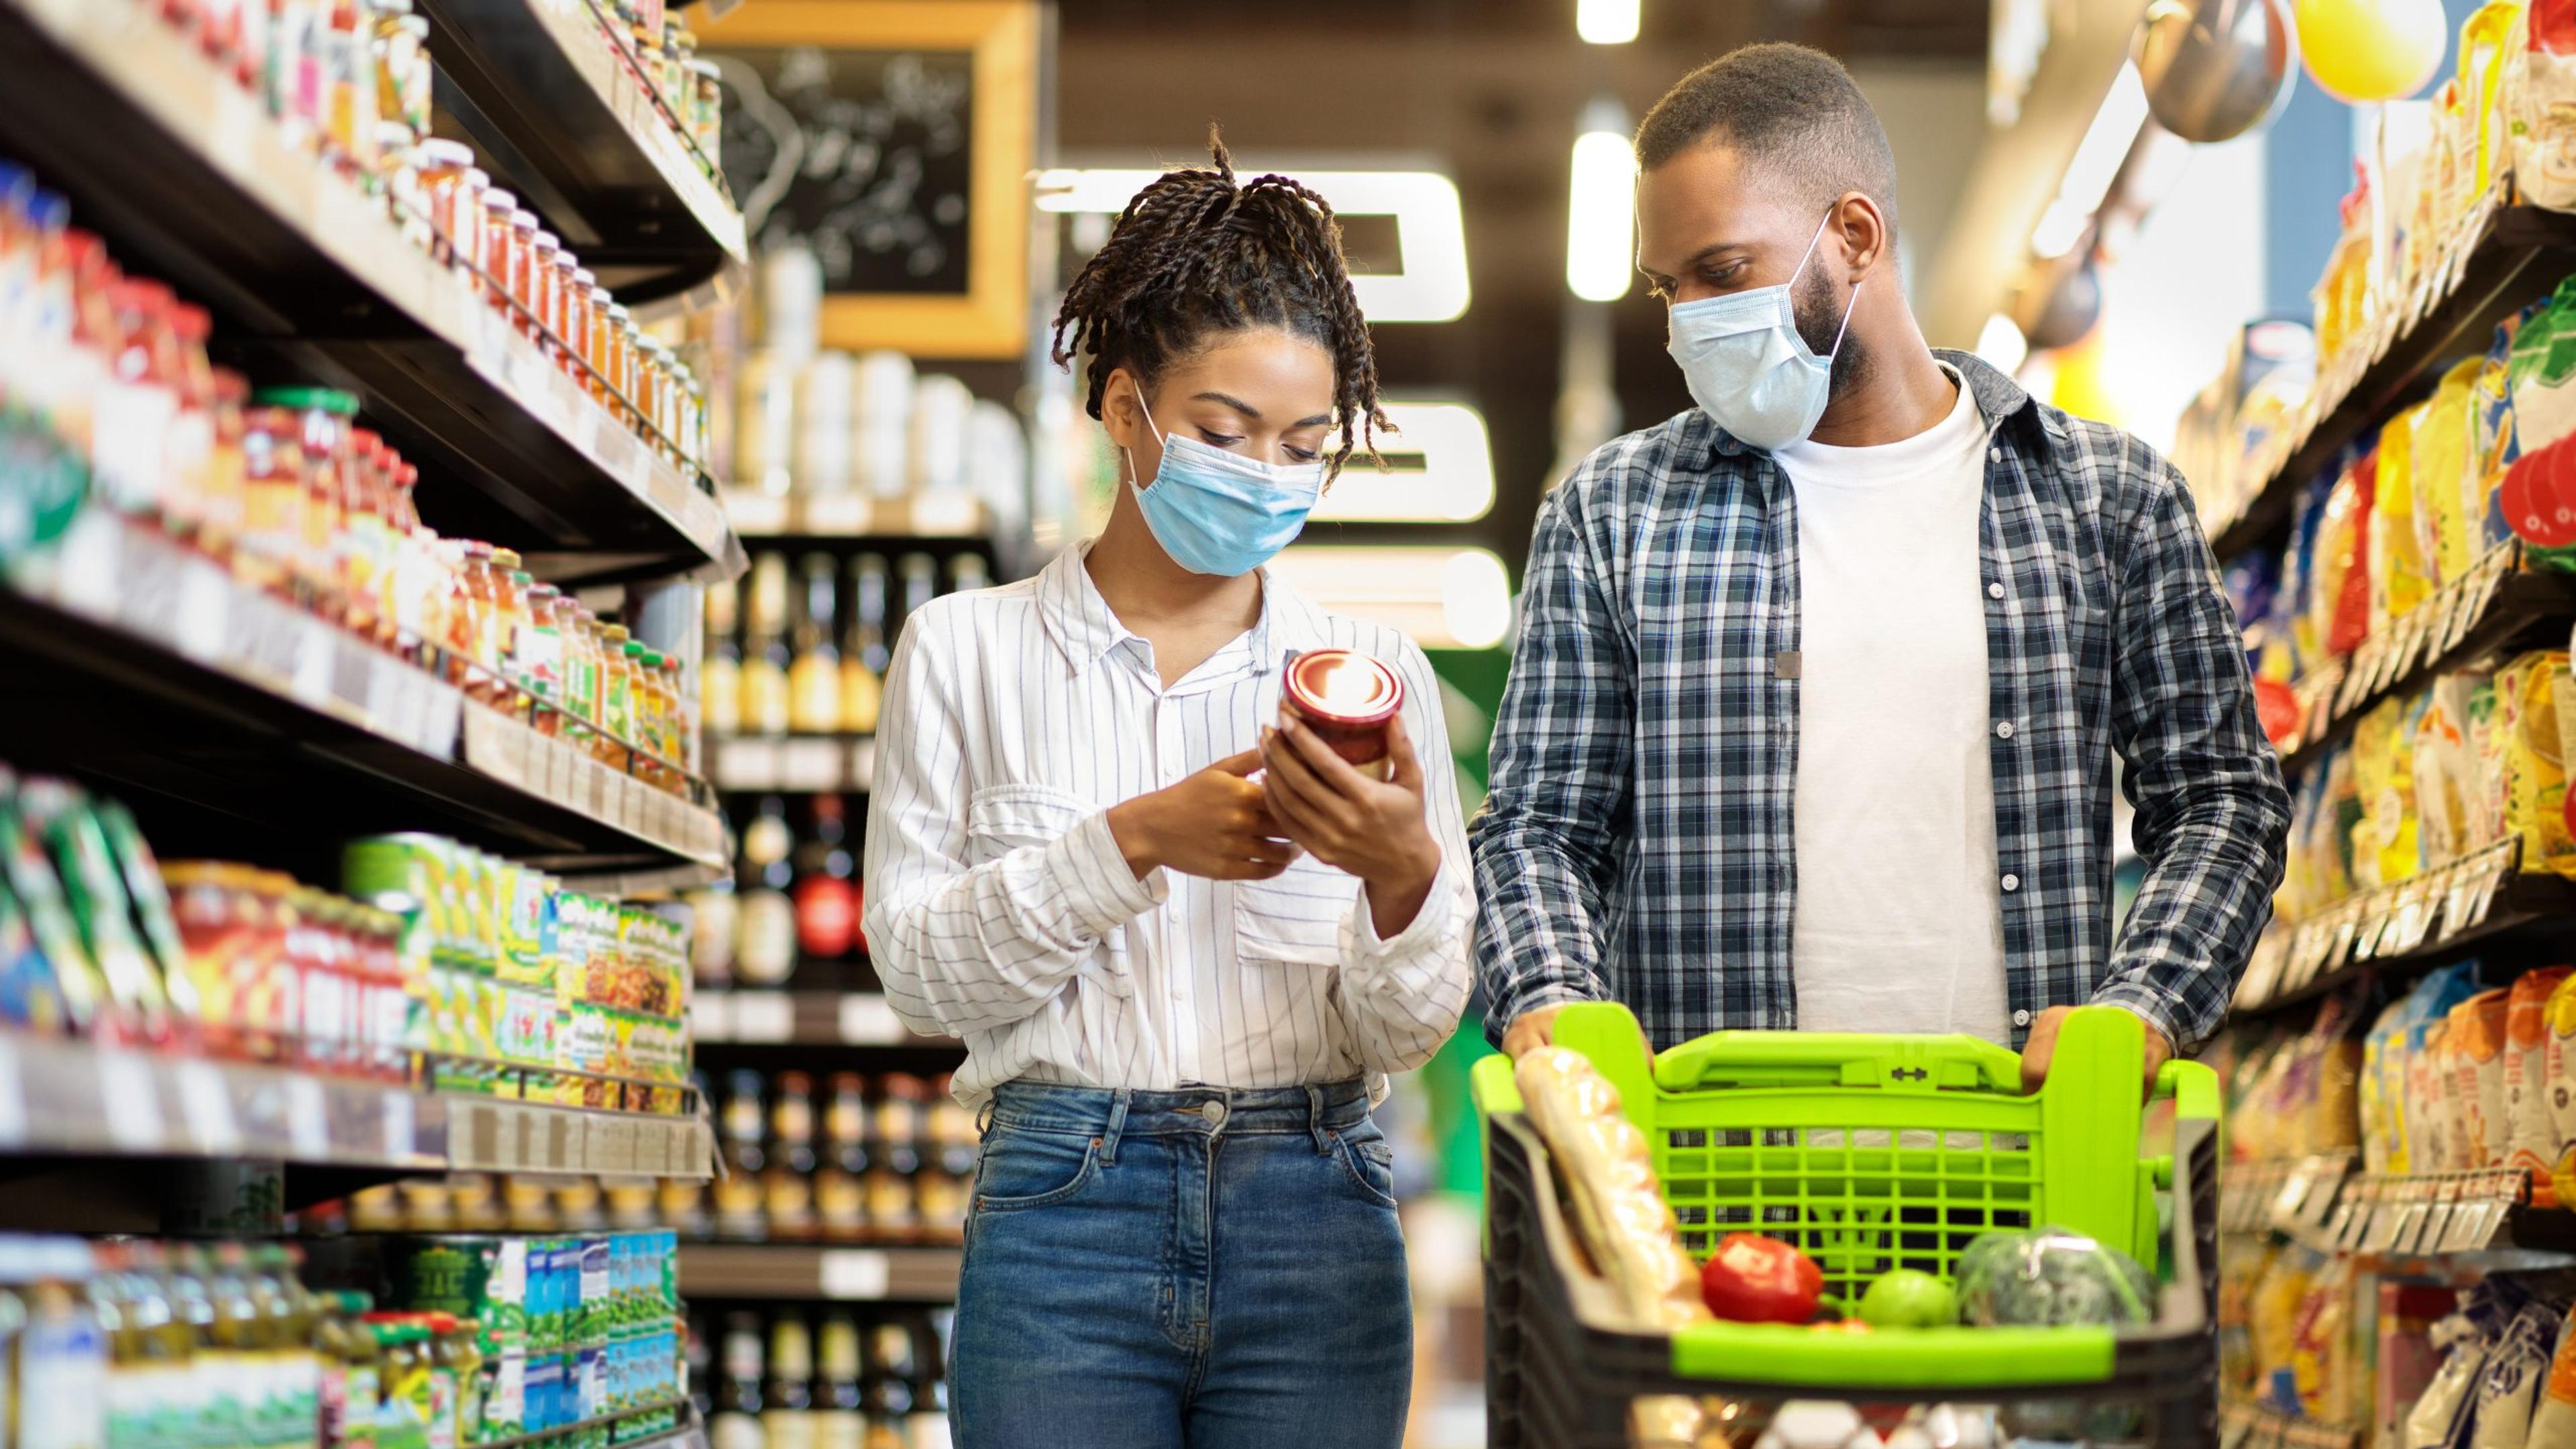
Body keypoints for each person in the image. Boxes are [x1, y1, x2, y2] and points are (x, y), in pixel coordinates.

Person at [1471, 44, 2290, 1091]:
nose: (1689, 323)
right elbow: (1539, 829)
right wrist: (1552, 995)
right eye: (1668, 288)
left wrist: (2144, 1008)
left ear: (1854, 235)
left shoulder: (2109, 500)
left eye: (1723, 273)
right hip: (1713, 1173)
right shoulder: (1615, 512)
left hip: (2022, 1164)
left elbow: (2224, 800)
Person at [861, 138, 1472, 1449]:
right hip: (1061, 1212)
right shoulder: (964, 652)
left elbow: (1408, 1030)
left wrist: (1399, 874)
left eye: (1305, 444)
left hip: (1317, 1208)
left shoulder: (1373, 677)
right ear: (1126, 406)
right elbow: (921, 978)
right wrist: (1134, 842)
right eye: (1223, 430)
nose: (1267, 472)